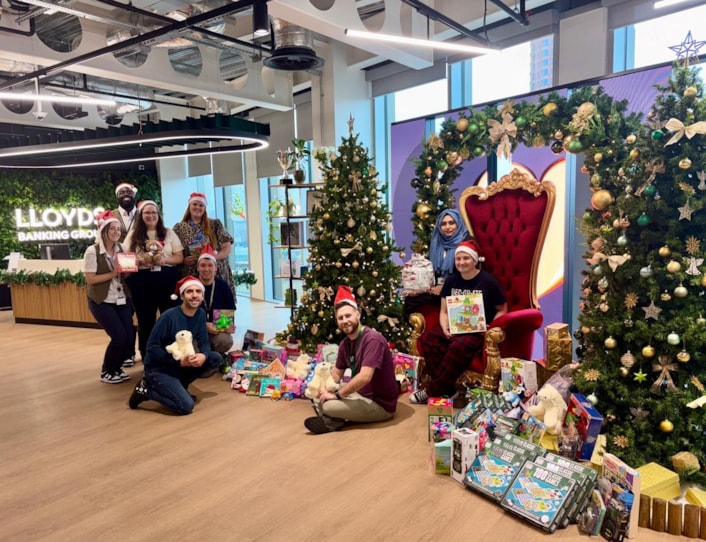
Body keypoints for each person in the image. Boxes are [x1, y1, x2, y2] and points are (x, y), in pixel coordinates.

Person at [410, 240, 508, 404]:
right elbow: (443, 311)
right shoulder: (451, 281)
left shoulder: (488, 281)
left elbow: (502, 309)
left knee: (458, 346)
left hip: (477, 331)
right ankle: (448, 390)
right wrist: (444, 327)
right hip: (454, 327)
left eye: (466, 258)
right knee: (427, 338)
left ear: (475, 260)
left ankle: (431, 391)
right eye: (458, 259)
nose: (461, 262)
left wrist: (492, 327)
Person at [304, 285, 398, 434]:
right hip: (360, 394)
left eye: (348, 316)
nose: (345, 321)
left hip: (379, 403)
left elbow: (365, 377)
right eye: (340, 318)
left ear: (358, 315)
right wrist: (321, 386)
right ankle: (335, 418)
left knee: (327, 405)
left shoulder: (373, 340)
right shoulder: (345, 344)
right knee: (318, 397)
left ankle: (331, 420)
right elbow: (336, 376)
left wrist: (336, 396)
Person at [128, 276, 222, 414]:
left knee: (215, 358)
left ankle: (180, 385)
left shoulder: (201, 314)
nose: (194, 295)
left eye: (198, 291)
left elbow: (203, 341)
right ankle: (146, 391)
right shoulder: (169, 317)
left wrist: (203, 354)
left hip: (181, 364)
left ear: (202, 296)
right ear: (182, 296)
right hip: (159, 368)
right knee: (185, 406)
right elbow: (152, 348)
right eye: (189, 291)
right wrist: (178, 363)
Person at [124, 200, 184, 361]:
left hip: (167, 279)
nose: (150, 216)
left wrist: (164, 260)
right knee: (145, 320)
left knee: (170, 318)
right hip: (142, 281)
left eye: (153, 212)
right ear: (141, 216)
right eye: (147, 213)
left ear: (158, 215)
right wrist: (141, 261)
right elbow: (125, 260)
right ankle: (147, 355)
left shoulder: (168, 232)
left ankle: (170, 354)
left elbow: (179, 257)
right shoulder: (133, 234)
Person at [83, 210, 135, 384]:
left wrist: (128, 270)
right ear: (103, 230)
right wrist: (113, 273)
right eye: (112, 229)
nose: (116, 232)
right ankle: (107, 370)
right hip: (101, 300)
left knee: (128, 335)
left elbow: (125, 276)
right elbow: (90, 279)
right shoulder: (92, 251)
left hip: (121, 297)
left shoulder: (122, 248)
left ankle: (116, 368)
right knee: (119, 335)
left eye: (118, 230)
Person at [402, 209, 469, 320]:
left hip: (459, 288)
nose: (447, 227)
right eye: (443, 224)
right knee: (411, 300)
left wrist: (444, 286)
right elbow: (431, 271)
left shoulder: (466, 242)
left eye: (451, 223)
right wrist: (420, 288)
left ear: (458, 223)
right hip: (436, 287)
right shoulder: (437, 241)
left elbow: (468, 273)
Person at [173, 192, 237, 299]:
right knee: (196, 305)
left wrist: (212, 258)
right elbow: (175, 253)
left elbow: (227, 247)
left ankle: (222, 317)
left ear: (205, 208)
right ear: (189, 206)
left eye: (201, 205)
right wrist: (183, 260)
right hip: (191, 274)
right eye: (195, 204)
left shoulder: (215, 224)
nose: (197, 207)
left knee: (220, 304)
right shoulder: (179, 228)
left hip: (216, 272)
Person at [112, 181, 138, 367]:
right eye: (122, 192)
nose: (125, 194)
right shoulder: (110, 216)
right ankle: (128, 353)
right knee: (126, 314)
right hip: (121, 273)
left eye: (128, 191)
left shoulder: (144, 212)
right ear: (117, 196)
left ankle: (146, 351)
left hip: (144, 269)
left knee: (145, 314)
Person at [196, 244, 236, 356]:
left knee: (225, 341)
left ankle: (215, 355)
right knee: (192, 351)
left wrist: (227, 325)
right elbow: (182, 316)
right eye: (203, 265)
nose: (206, 269)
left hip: (216, 330)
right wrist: (204, 325)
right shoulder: (190, 286)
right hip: (194, 331)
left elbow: (228, 310)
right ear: (198, 267)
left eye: (210, 265)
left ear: (216, 268)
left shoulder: (223, 286)